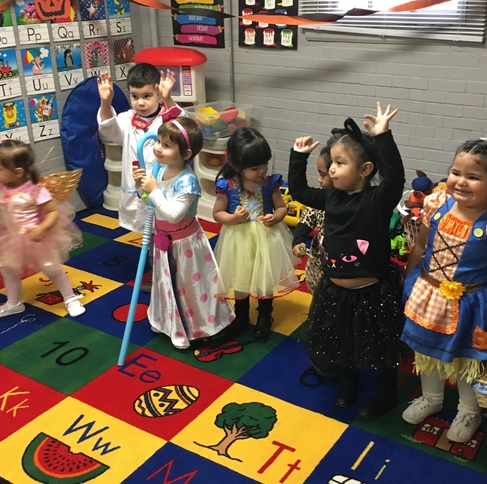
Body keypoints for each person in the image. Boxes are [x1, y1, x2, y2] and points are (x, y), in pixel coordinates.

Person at [400, 140, 487, 443]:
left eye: (474, 177)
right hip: (427, 293)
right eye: (456, 172)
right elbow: (420, 245)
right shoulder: (436, 204)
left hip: (472, 304)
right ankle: (432, 397)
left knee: (470, 359)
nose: (461, 181)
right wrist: (407, 279)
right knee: (425, 349)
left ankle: (470, 409)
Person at [289, 103, 407, 418]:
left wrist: (383, 137)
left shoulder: (378, 200)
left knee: (381, 346)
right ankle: (349, 381)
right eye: (332, 163)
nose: (331, 169)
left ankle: (386, 393)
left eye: (340, 163)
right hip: (335, 290)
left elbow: (395, 177)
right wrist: (298, 156)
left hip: (373, 291)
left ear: (365, 169)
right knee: (343, 341)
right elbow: (299, 191)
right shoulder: (331, 197)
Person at [132, 116, 234, 349]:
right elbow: (151, 203)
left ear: (186, 154)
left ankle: (200, 326)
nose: (158, 148)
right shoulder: (160, 171)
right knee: (165, 282)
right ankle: (166, 321)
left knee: (189, 285)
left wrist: (154, 191)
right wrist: (142, 189)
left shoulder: (188, 182)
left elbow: (174, 214)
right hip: (163, 243)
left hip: (186, 244)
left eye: (167, 145)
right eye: (158, 141)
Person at [0, 140, 85, 318]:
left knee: (52, 268)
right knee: (9, 270)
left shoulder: (36, 191)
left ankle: (70, 298)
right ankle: (13, 303)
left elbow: (52, 212)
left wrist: (42, 228)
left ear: (18, 172)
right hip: (10, 238)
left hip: (37, 238)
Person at [97, 64, 181, 293]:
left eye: (147, 96)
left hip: (164, 188)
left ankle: (172, 271)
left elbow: (182, 126)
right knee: (152, 233)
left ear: (157, 93)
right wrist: (106, 101)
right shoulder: (127, 120)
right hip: (138, 189)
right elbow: (107, 127)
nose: (140, 102)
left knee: (167, 229)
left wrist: (168, 99)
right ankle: (159, 273)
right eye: (135, 97)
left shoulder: (166, 119)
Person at [213, 127, 299, 339]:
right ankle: (241, 315)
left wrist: (276, 217)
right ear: (236, 165)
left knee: (264, 277)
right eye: (254, 168)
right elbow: (217, 213)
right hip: (238, 239)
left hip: (266, 237)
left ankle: (264, 315)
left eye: (265, 164)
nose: (262, 171)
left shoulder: (270, 183)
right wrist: (233, 218)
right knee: (240, 276)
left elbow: (281, 207)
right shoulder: (229, 185)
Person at [291, 131, 340, 294]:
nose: (319, 179)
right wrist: (298, 240)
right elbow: (305, 221)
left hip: (340, 266)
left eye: (322, 175)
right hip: (318, 263)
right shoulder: (320, 200)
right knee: (318, 293)